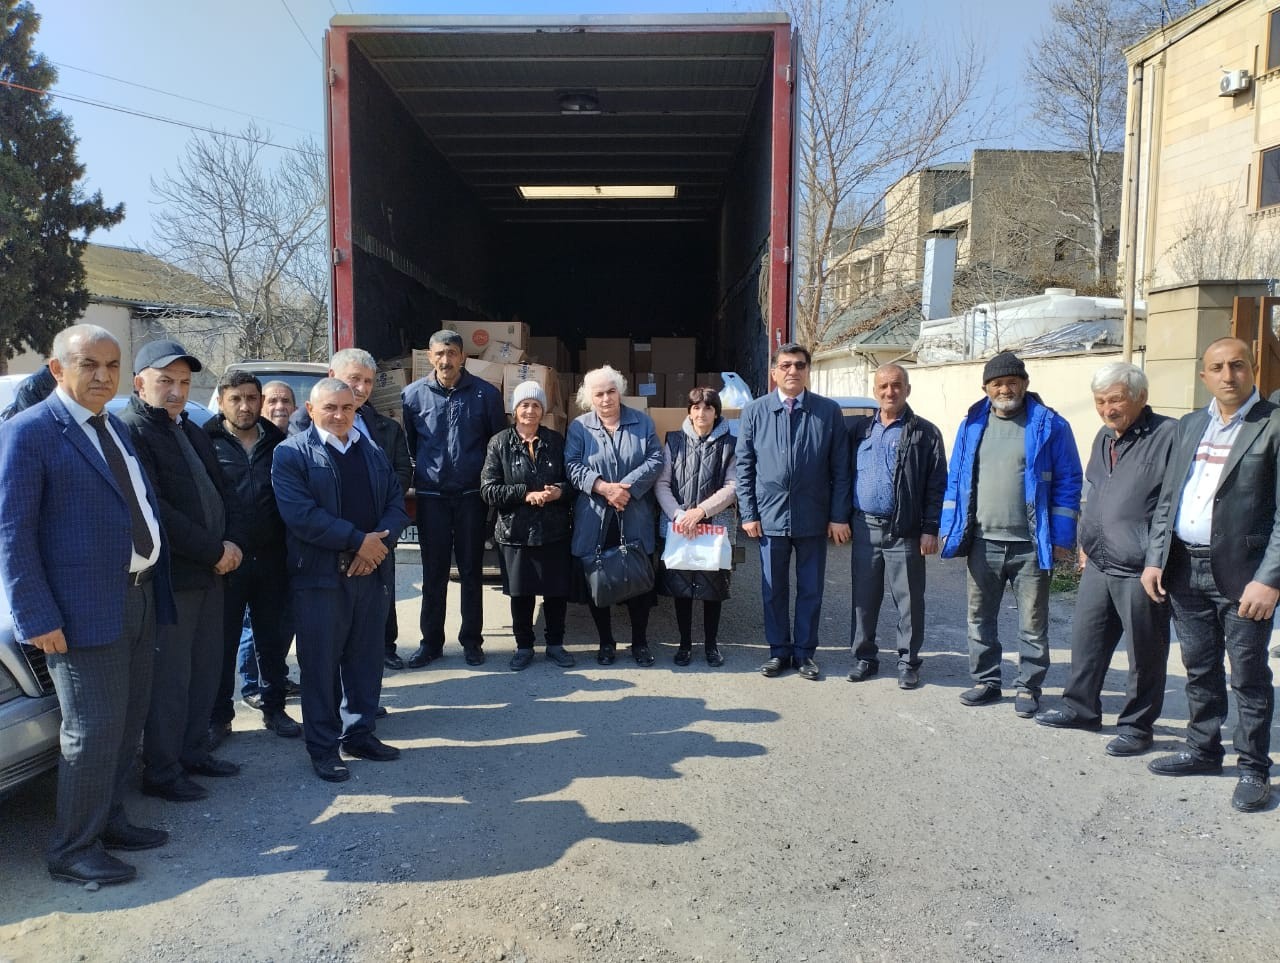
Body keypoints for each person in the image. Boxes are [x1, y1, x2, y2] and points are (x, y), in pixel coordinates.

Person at [0, 325, 175, 886]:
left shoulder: (112, 427)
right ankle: (72, 849)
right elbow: (13, 532)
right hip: (79, 614)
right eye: (88, 365)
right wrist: (36, 617)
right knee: (91, 730)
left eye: (111, 365)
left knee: (126, 724)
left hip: (136, 597)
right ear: (57, 369)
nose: (102, 376)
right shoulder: (30, 433)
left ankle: (109, 821)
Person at [1141, 337, 1279, 813]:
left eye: (1237, 365)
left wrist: (1271, 578)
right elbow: (1168, 500)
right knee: (1199, 667)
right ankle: (1203, 749)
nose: (1228, 375)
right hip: (1184, 568)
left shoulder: (1273, 424)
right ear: (1204, 376)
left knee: (1248, 674)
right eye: (1217, 367)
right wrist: (1155, 558)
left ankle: (1253, 768)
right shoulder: (1190, 425)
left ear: (1253, 369)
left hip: (1245, 576)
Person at [118, 339, 248, 802]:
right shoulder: (132, 430)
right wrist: (213, 549)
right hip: (176, 577)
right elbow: (158, 509)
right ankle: (162, 768)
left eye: (184, 382)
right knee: (171, 678)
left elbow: (224, 491)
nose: (176, 391)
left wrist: (233, 542)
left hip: (214, 570)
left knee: (205, 668)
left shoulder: (189, 428)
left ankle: (194, 751)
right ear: (139, 383)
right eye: (165, 381)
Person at [272, 379, 409, 782]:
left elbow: (396, 505)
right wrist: (356, 543)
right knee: (320, 665)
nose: (339, 415)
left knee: (366, 660)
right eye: (329, 408)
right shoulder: (291, 454)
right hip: (320, 578)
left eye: (347, 408)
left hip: (370, 574)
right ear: (311, 411)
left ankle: (359, 733)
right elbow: (301, 515)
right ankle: (323, 747)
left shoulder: (371, 451)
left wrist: (376, 548)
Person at [1035, 362, 1175, 756]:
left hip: (1140, 566)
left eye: (1115, 399)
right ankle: (1080, 708)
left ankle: (1137, 726)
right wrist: (1085, 541)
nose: (1107, 409)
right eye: (1099, 401)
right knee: (1087, 640)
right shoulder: (1102, 435)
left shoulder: (1168, 435)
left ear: (1140, 397)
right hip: (1098, 559)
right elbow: (1094, 489)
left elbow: (1169, 503)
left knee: (1144, 653)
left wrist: (1157, 557)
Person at [939, 350, 1081, 718]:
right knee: (979, 617)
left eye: (1011, 381)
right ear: (986, 388)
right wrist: (947, 527)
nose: (1005, 388)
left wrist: (1063, 537)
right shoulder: (972, 424)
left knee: (1033, 622)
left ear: (1025, 383)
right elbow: (955, 480)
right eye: (997, 382)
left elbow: (1068, 481)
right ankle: (986, 681)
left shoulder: (1051, 425)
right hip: (982, 541)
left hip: (1032, 545)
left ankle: (1028, 688)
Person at [289, 349, 413, 669]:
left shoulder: (381, 427)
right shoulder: (300, 430)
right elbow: (309, 503)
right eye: (353, 378)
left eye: (367, 382)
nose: (360, 388)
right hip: (327, 557)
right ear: (332, 377)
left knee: (367, 640)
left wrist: (376, 541)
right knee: (329, 648)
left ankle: (373, 676)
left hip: (376, 544)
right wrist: (358, 541)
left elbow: (396, 481)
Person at [735, 342, 851, 681]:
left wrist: (838, 515)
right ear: (774, 373)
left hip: (813, 517)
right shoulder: (755, 412)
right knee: (773, 589)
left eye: (799, 365)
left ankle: (804, 654)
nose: (792, 371)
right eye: (785, 365)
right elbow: (744, 468)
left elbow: (841, 469)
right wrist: (748, 513)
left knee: (811, 588)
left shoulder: (827, 412)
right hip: (769, 517)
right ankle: (778, 652)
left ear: (807, 372)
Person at [205, 370, 300, 740]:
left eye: (250, 398)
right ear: (222, 401)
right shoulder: (205, 442)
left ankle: (274, 709)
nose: (245, 406)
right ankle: (218, 717)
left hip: (272, 559)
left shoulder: (280, 442)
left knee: (272, 641)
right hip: (226, 562)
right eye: (236, 399)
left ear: (260, 400)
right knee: (223, 643)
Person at [402, 329, 506, 668]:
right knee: (433, 573)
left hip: (471, 497)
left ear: (462, 356)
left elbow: (495, 445)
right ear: (429, 357)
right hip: (431, 496)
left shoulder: (485, 394)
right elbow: (412, 446)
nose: (445, 360)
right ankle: (430, 643)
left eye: (451, 353)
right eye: (439, 354)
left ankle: (472, 641)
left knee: (471, 571)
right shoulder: (412, 396)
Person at [845, 363, 947, 689]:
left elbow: (936, 484)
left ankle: (908, 661)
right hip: (864, 527)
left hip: (905, 530)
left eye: (897, 385)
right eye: (884, 386)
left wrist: (931, 528)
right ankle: (865, 657)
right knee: (863, 597)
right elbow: (844, 475)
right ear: (875, 391)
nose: (890, 392)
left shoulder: (924, 432)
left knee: (909, 600)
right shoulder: (859, 430)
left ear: (907, 389)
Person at [565, 366, 664, 666]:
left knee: (637, 579)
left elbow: (656, 459)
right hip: (595, 516)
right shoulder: (579, 427)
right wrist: (604, 488)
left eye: (611, 391)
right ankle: (606, 642)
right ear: (589, 398)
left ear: (619, 391)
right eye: (599, 394)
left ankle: (640, 642)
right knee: (601, 580)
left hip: (633, 512)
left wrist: (626, 489)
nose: (606, 398)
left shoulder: (642, 422)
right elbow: (571, 465)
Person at [480, 380, 576, 671]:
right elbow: (488, 490)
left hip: (554, 529)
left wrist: (559, 491)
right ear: (514, 410)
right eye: (524, 405)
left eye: (536, 405)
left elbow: (574, 483)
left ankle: (556, 645)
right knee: (521, 593)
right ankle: (524, 647)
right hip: (515, 531)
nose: (530, 411)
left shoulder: (556, 440)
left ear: (543, 410)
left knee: (556, 591)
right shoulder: (499, 443)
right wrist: (525, 493)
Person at [654, 386, 737, 667]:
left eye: (708, 408)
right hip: (680, 526)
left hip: (714, 525)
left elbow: (733, 486)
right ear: (689, 411)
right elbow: (662, 483)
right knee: (683, 589)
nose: (702, 413)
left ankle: (712, 645)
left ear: (716, 413)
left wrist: (701, 511)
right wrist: (679, 515)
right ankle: (685, 644)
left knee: (712, 589)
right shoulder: (674, 441)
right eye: (696, 408)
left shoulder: (730, 444)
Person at [238, 379, 299, 698]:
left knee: (279, 620)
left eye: (286, 401)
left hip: (284, 550)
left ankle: (275, 677)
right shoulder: (248, 441)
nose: (280, 406)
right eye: (273, 400)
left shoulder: (289, 441)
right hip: (249, 553)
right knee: (253, 625)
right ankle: (251, 685)